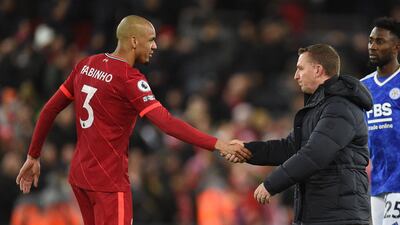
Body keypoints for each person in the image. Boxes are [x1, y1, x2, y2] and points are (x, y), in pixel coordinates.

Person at [16, 15, 251, 225]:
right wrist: (218, 144)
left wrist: (33, 155)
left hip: (80, 177)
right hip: (109, 183)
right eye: (151, 39)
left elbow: (48, 109)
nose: (155, 45)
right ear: (134, 41)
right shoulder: (129, 79)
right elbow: (167, 123)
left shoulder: (86, 65)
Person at [227, 44, 373, 225]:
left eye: (300, 69)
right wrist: (247, 149)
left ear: (318, 70)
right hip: (320, 214)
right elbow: (289, 148)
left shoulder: (340, 107)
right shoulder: (319, 107)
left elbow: (315, 154)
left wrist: (271, 184)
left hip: (339, 217)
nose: (296, 76)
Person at [360, 17, 400, 225]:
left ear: (396, 47)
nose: (372, 46)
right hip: (376, 183)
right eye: (370, 41)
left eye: (379, 41)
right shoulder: (362, 87)